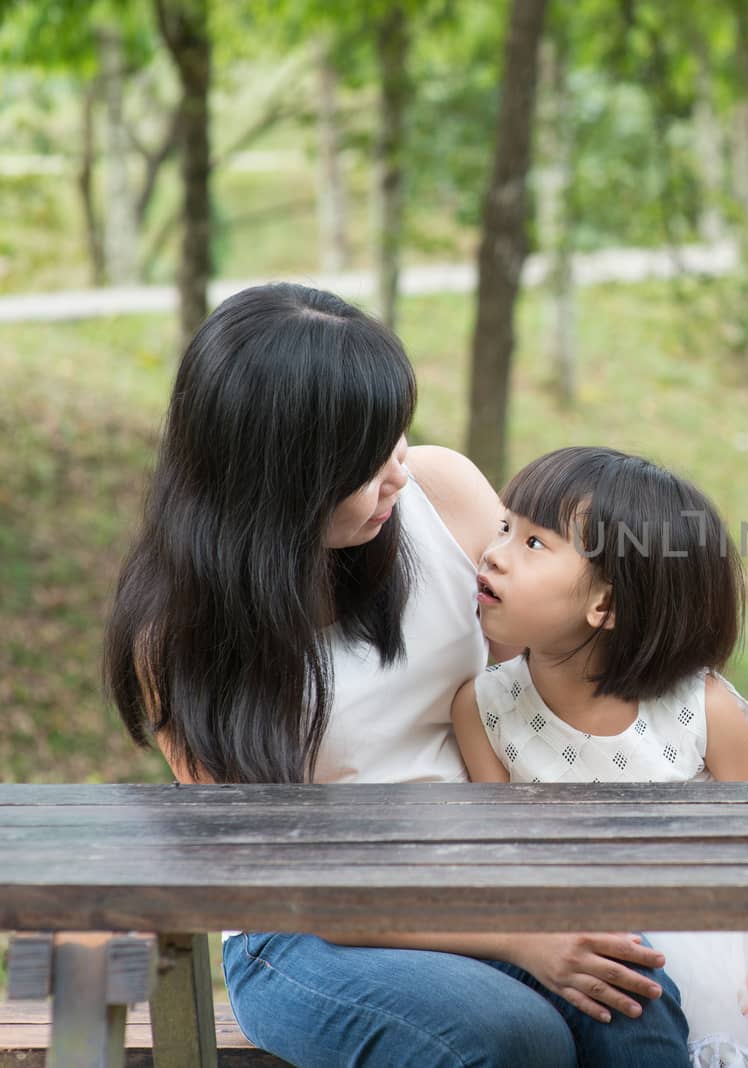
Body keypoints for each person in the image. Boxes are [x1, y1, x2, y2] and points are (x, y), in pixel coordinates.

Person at [105, 284, 686, 1068]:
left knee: (633, 997)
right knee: (503, 1034)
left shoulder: (443, 494)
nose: (398, 474)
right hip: (309, 929)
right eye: (365, 461)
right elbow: (284, 881)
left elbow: (562, 678)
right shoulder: (180, 635)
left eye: (398, 436)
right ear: (281, 477)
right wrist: (519, 938)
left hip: (489, 866)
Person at [451, 445, 748, 1068]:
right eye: (506, 526)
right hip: (602, 956)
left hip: (728, 937)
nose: (493, 552)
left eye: (534, 544)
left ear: (606, 606)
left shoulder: (698, 705)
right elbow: (505, 863)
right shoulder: (483, 708)